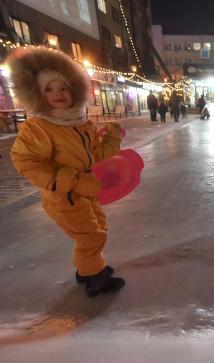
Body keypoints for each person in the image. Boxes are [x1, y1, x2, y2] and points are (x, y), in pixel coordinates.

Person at [7, 47, 125, 297]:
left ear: (75, 90)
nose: (57, 94)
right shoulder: (39, 127)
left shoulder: (80, 123)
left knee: (98, 227)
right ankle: (95, 278)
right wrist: (71, 181)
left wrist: (113, 137)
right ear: (39, 94)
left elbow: (96, 155)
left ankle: (87, 269)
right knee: (90, 235)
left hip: (86, 191)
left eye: (63, 88)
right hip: (64, 196)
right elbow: (24, 159)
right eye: (49, 89)